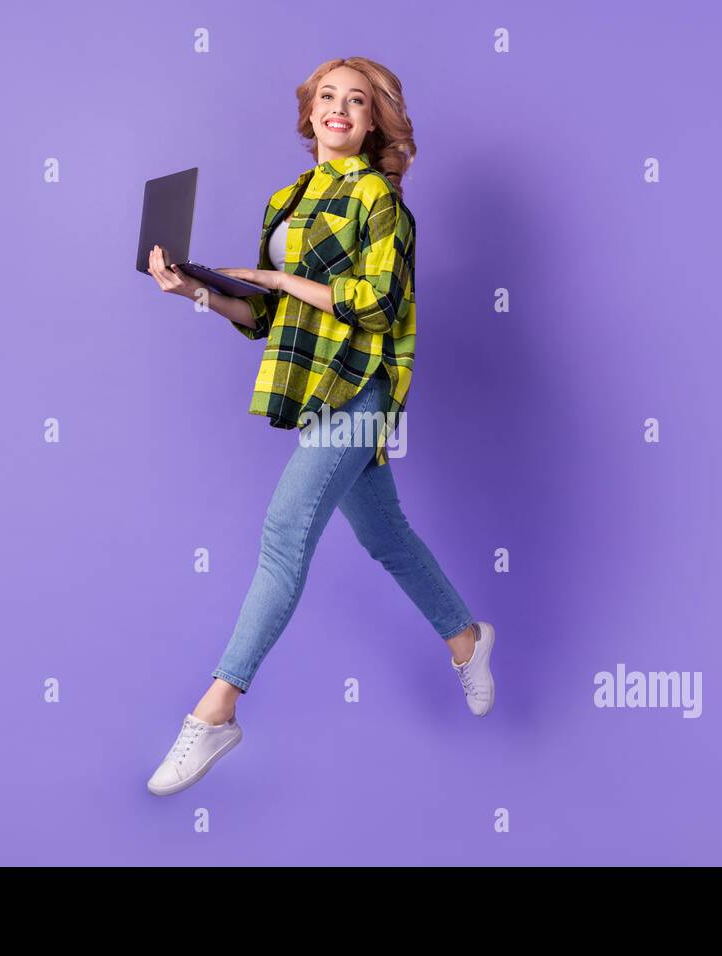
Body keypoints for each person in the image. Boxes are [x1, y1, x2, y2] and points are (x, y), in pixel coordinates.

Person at [142, 56, 496, 797]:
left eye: (356, 101)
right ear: (310, 116)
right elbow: (268, 318)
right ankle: (467, 639)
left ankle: (216, 711)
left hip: (360, 386)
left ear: (372, 123)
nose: (339, 108)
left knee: (283, 535)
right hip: (312, 387)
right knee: (385, 536)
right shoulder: (288, 199)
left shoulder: (380, 201)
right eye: (327, 97)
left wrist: (273, 277)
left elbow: (375, 305)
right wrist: (196, 291)